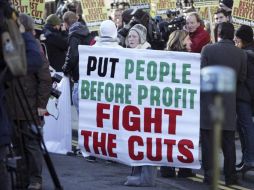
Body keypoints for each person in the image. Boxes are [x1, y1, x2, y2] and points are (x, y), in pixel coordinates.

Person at [6, 13, 52, 190]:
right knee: (17, 146)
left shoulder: (34, 49)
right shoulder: (10, 49)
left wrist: (41, 105)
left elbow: (45, 79)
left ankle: (35, 180)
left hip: (30, 106)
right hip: (12, 106)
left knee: (31, 145)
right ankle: (22, 179)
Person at [200, 22, 247, 186]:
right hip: (228, 102)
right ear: (232, 35)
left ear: (218, 33)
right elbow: (241, 78)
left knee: (208, 142)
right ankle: (230, 176)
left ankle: (209, 175)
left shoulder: (207, 49)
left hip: (208, 102)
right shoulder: (241, 54)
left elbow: (202, 74)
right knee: (228, 143)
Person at [124, 24, 157, 187]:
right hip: (132, 104)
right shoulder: (126, 53)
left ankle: (146, 178)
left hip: (145, 105)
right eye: (129, 36)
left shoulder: (148, 53)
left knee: (145, 141)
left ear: (141, 38)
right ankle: (136, 175)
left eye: (134, 36)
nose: (131, 39)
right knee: (135, 140)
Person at [160, 30, 195, 178]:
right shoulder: (168, 58)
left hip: (184, 105)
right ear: (180, 41)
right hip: (171, 106)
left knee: (182, 137)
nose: (190, 43)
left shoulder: (191, 58)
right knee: (171, 137)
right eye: (187, 40)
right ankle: (171, 168)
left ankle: (180, 168)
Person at [62, 11, 92, 113]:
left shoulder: (74, 35)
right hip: (87, 74)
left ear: (66, 23)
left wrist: (66, 69)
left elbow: (73, 55)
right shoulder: (84, 30)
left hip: (79, 76)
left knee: (80, 109)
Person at [234, 25, 254, 175]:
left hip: (244, 96)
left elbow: (246, 78)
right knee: (242, 127)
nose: (235, 40)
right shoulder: (247, 52)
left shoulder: (246, 55)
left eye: (238, 38)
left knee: (246, 128)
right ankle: (246, 158)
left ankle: (249, 160)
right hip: (246, 96)